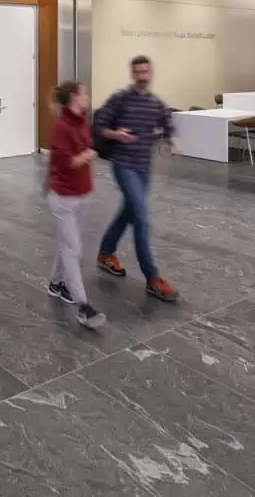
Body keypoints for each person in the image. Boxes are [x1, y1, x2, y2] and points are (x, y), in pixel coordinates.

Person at [94, 56, 179, 303]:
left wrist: (172, 137)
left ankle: (105, 253)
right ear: (132, 74)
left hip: (144, 168)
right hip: (123, 165)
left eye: (145, 71)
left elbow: (167, 122)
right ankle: (152, 278)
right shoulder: (120, 99)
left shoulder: (156, 103)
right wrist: (115, 134)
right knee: (141, 219)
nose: (142, 76)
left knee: (129, 212)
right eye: (137, 72)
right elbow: (99, 125)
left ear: (151, 73)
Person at [47, 80, 106, 329]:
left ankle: (55, 283)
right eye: (84, 94)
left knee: (67, 243)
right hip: (63, 198)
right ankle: (83, 305)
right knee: (73, 249)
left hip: (82, 194)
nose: (88, 96)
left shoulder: (81, 120)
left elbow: (87, 146)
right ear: (74, 97)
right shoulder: (61, 126)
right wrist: (88, 155)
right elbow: (66, 162)